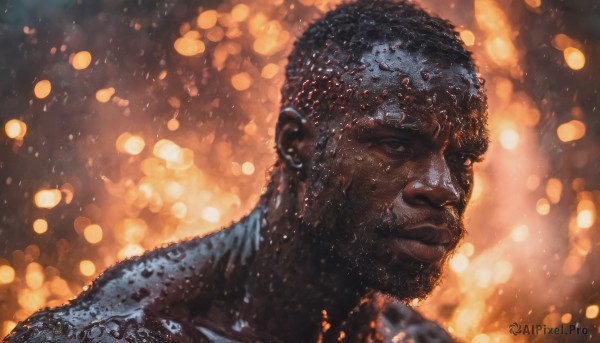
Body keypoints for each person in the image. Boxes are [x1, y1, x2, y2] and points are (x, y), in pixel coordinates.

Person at [5, 0, 489, 342]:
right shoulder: (124, 332)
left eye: (463, 158)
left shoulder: (413, 337)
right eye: (396, 144)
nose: (443, 187)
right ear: (295, 144)